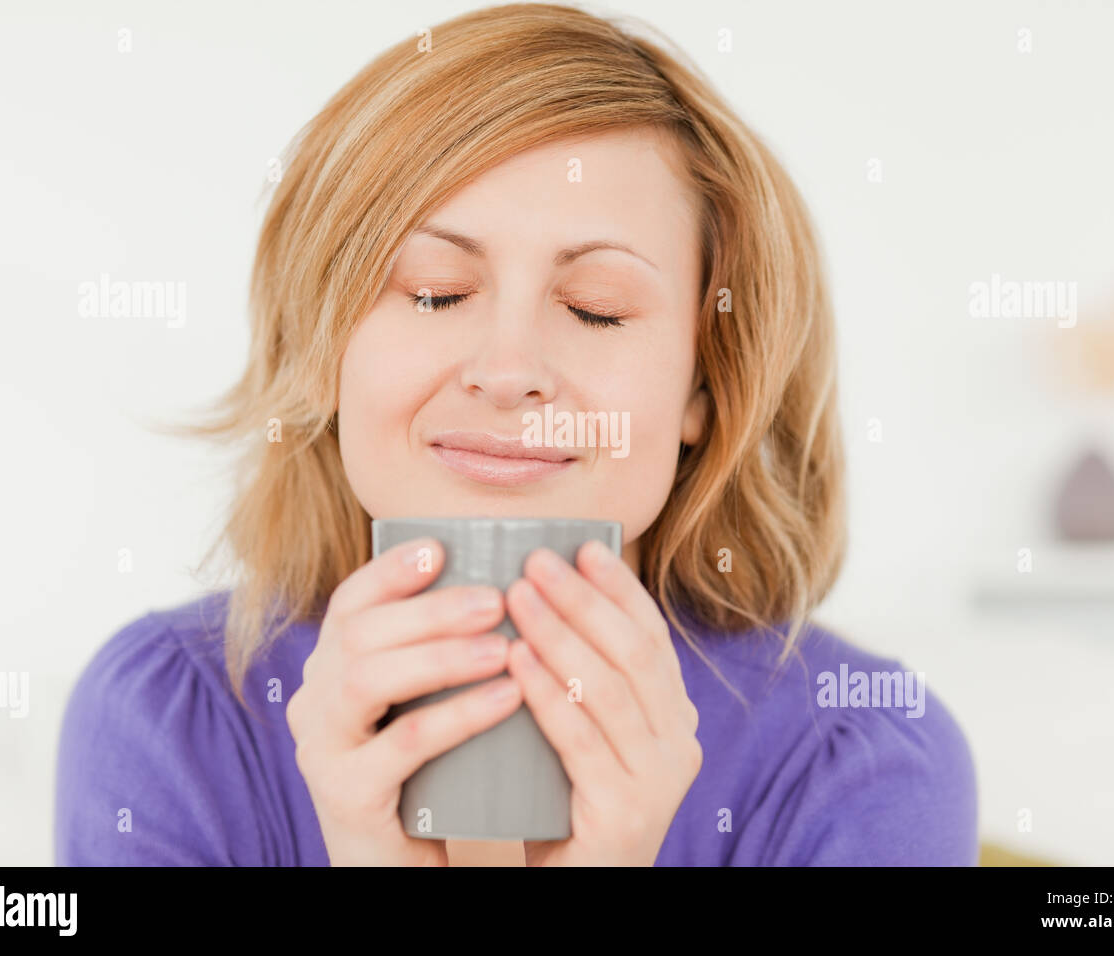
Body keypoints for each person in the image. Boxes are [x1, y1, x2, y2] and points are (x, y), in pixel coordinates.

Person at [55, 2, 977, 866]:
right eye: (433, 293)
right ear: (327, 344)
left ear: (705, 383)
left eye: (596, 308)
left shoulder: (865, 763)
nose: (507, 369)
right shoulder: (165, 722)